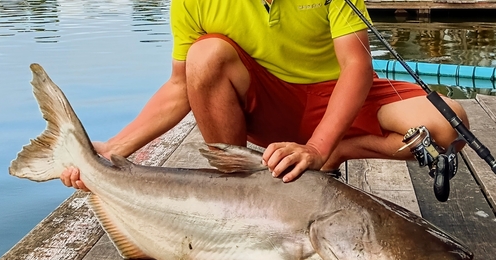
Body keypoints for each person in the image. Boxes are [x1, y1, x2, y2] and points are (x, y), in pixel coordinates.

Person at [61, 0, 468, 190]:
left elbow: (357, 67)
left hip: (339, 94)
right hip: (267, 103)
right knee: (206, 54)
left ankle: (339, 151)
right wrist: (112, 149)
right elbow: (178, 86)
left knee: (450, 124)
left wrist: (320, 148)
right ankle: (237, 181)